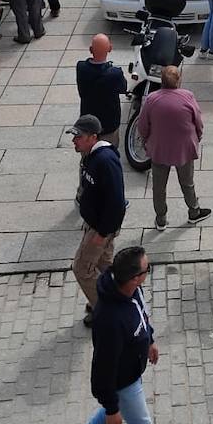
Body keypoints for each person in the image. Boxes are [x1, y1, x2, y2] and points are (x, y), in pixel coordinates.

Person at [82, 244, 158, 424]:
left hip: (131, 371)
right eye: (147, 269)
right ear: (134, 278)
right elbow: (102, 367)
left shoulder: (133, 290)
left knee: (124, 407)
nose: (149, 271)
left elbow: (142, 315)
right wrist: (111, 409)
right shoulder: (110, 321)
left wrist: (150, 340)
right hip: (124, 381)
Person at [136, 65, 211, 231]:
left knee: (159, 187)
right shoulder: (187, 96)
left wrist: (146, 140)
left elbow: (142, 125)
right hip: (183, 148)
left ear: (161, 81)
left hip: (159, 148)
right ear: (179, 81)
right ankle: (194, 211)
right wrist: (197, 136)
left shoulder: (151, 99)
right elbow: (197, 121)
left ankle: (161, 219)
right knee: (187, 182)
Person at [70, 114, 126, 327]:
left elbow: (117, 203)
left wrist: (102, 234)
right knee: (105, 265)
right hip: (98, 225)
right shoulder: (90, 156)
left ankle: (103, 309)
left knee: (82, 268)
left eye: (78, 137)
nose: (74, 141)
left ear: (93, 137)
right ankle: (125, 294)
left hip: (100, 229)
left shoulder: (105, 161)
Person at [77, 34, 128, 147]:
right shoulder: (115, 74)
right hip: (108, 125)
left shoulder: (81, 68)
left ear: (90, 50)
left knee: (88, 156)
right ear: (110, 49)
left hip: (88, 125)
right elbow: (123, 88)